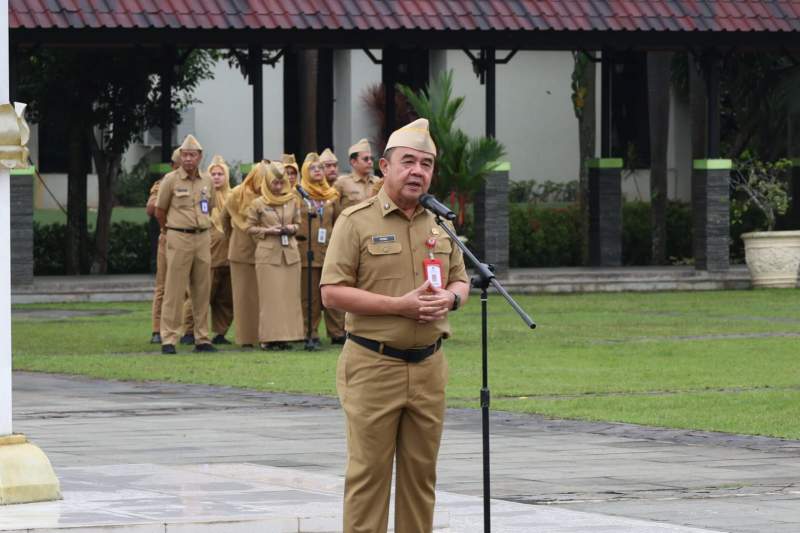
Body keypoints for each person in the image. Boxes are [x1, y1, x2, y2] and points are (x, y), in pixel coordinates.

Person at [320, 118, 470, 533]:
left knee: (421, 478)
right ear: (385, 167)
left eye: (426, 164)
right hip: (374, 365)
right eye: (408, 162)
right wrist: (398, 306)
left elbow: (461, 279)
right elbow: (331, 292)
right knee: (369, 476)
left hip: (429, 368)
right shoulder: (356, 221)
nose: (417, 171)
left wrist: (451, 299)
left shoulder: (440, 223)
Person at [155, 134, 216, 354]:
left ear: (200, 157)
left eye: (192, 155)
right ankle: (169, 338)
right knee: (174, 289)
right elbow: (159, 210)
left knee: (202, 289)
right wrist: (168, 230)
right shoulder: (171, 180)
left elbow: (210, 206)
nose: (188, 159)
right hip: (178, 236)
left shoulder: (207, 180)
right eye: (185, 155)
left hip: (202, 237)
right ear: (180, 156)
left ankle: (202, 338)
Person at [245, 161, 304, 350]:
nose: (278, 187)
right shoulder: (258, 203)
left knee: (289, 298)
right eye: (274, 183)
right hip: (268, 255)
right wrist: (268, 230)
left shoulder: (292, 200)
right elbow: (249, 227)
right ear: (267, 182)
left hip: (290, 254)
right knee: (270, 299)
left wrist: (291, 228)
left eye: (281, 182)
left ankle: (286, 337)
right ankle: (268, 338)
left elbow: (298, 223)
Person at [296, 152, 343, 347]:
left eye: (320, 168)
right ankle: (311, 332)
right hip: (307, 252)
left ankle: (337, 332)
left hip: (329, 252)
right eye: (312, 168)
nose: (317, 171)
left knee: (334, 293)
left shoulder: (332, 196)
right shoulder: (299, 195)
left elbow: (339, 222)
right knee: (310, 297)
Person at [221, 162, 264, 348]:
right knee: (243, 298)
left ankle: (263, 336)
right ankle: (245, 338)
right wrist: (233, 239)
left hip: (264, 253)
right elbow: (224, 219)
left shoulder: (269, 195)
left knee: (261, 298)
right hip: (241, 253)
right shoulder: (236, 194)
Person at [146, 147, 181, 344]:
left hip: (191, 240)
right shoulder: (163, 183)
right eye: (180, 164)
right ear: (173, 165)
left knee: (192, 288)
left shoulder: (199, 183)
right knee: (163, 286)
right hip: (169, 238)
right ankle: (157, 329)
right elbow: (151, 208)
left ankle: (190, 331)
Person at [333, 138, 382, 211]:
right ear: (353, 162)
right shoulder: (342, 183)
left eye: (371, 158)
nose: (370, 162)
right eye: (366, 159)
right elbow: (335, 210)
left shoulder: (377, 181)